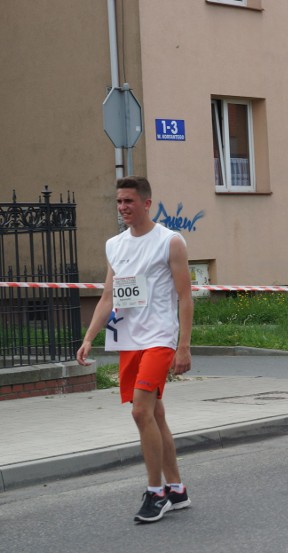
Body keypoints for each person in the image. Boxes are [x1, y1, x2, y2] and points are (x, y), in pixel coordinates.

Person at [76, 176, 193, 523]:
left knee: (140, 413)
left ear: (146, 203)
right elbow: (108, 296)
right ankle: (177, 489)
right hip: (128, 341)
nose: (123, 207)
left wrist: (183, 346)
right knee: (155, 415)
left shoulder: (170, 241)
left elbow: (185, 296)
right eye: (119, 202)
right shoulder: (115, 245)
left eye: (129, 201)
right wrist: (88, 337)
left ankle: (155, 493)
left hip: (159, 339)